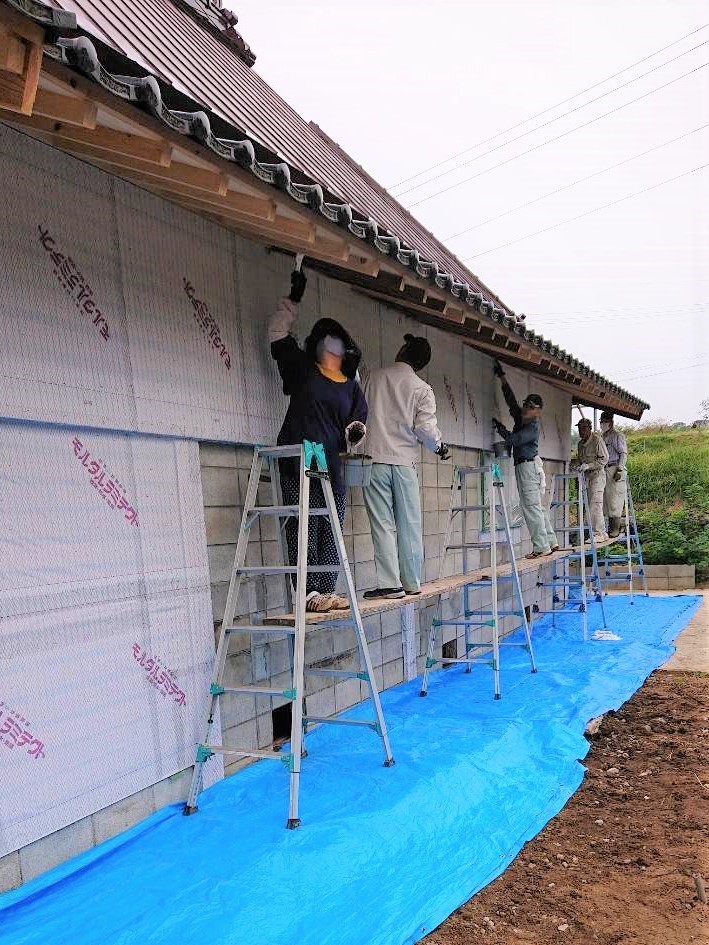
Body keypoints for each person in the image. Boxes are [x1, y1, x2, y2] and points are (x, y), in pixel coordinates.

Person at [269, 268, 367, 613]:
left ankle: (325, 591)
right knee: (304, 524)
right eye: (327, 342)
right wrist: (292, 300)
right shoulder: (303, 369)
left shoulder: (350, 383)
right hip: (300, 457)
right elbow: (278, 334)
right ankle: (307, 593)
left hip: (331, 462)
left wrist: (354, 434)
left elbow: (357, 421)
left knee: (330, 526)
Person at [361, 334, 451, 600]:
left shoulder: (374, 378)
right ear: (421, 364)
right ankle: (411, 581)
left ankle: (390, 584)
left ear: (402, 350)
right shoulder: (422, 388)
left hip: (374, 459)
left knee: (382, 523)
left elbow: (359, 413)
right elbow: (425, 429)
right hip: (404, 464)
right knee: (409, 523)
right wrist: (439, 447)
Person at [492, 361, 558, 558]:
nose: (526, 410)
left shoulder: (532, 427)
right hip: (528, 467)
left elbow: (514, 440)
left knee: (530, 508)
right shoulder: (523, 418)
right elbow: (511, 401)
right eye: (526, 406)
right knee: (536, 507)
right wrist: (502, 378)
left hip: (527, 468)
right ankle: (551, 542)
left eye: (531, 408)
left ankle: (541, 547)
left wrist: (501, 429)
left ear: (537, 411)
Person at [572, 418, 609, 542]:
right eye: (579, 428)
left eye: (583, 428)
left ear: (589, 428)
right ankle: (601, 532)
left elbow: (604, 459)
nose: (581, 431)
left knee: (596, 503)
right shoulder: (580, 444)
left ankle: (598, 533)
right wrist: (577, 465)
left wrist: (589, 465)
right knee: (590, 505)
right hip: (587, 478)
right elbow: (580, 459)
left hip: (597, 475)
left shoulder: (597, 440)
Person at [600, 410, 628, 538]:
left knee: (615, 499)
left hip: (614, 468)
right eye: (601, 422)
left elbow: (623, 453)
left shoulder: (617, 436)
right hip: (604, 469)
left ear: (611, 422)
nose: (602, 424)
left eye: (605, 422)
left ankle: (616, 527)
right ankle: (611, 527)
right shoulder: (602, 437)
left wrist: (620, 469)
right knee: (606, 499)